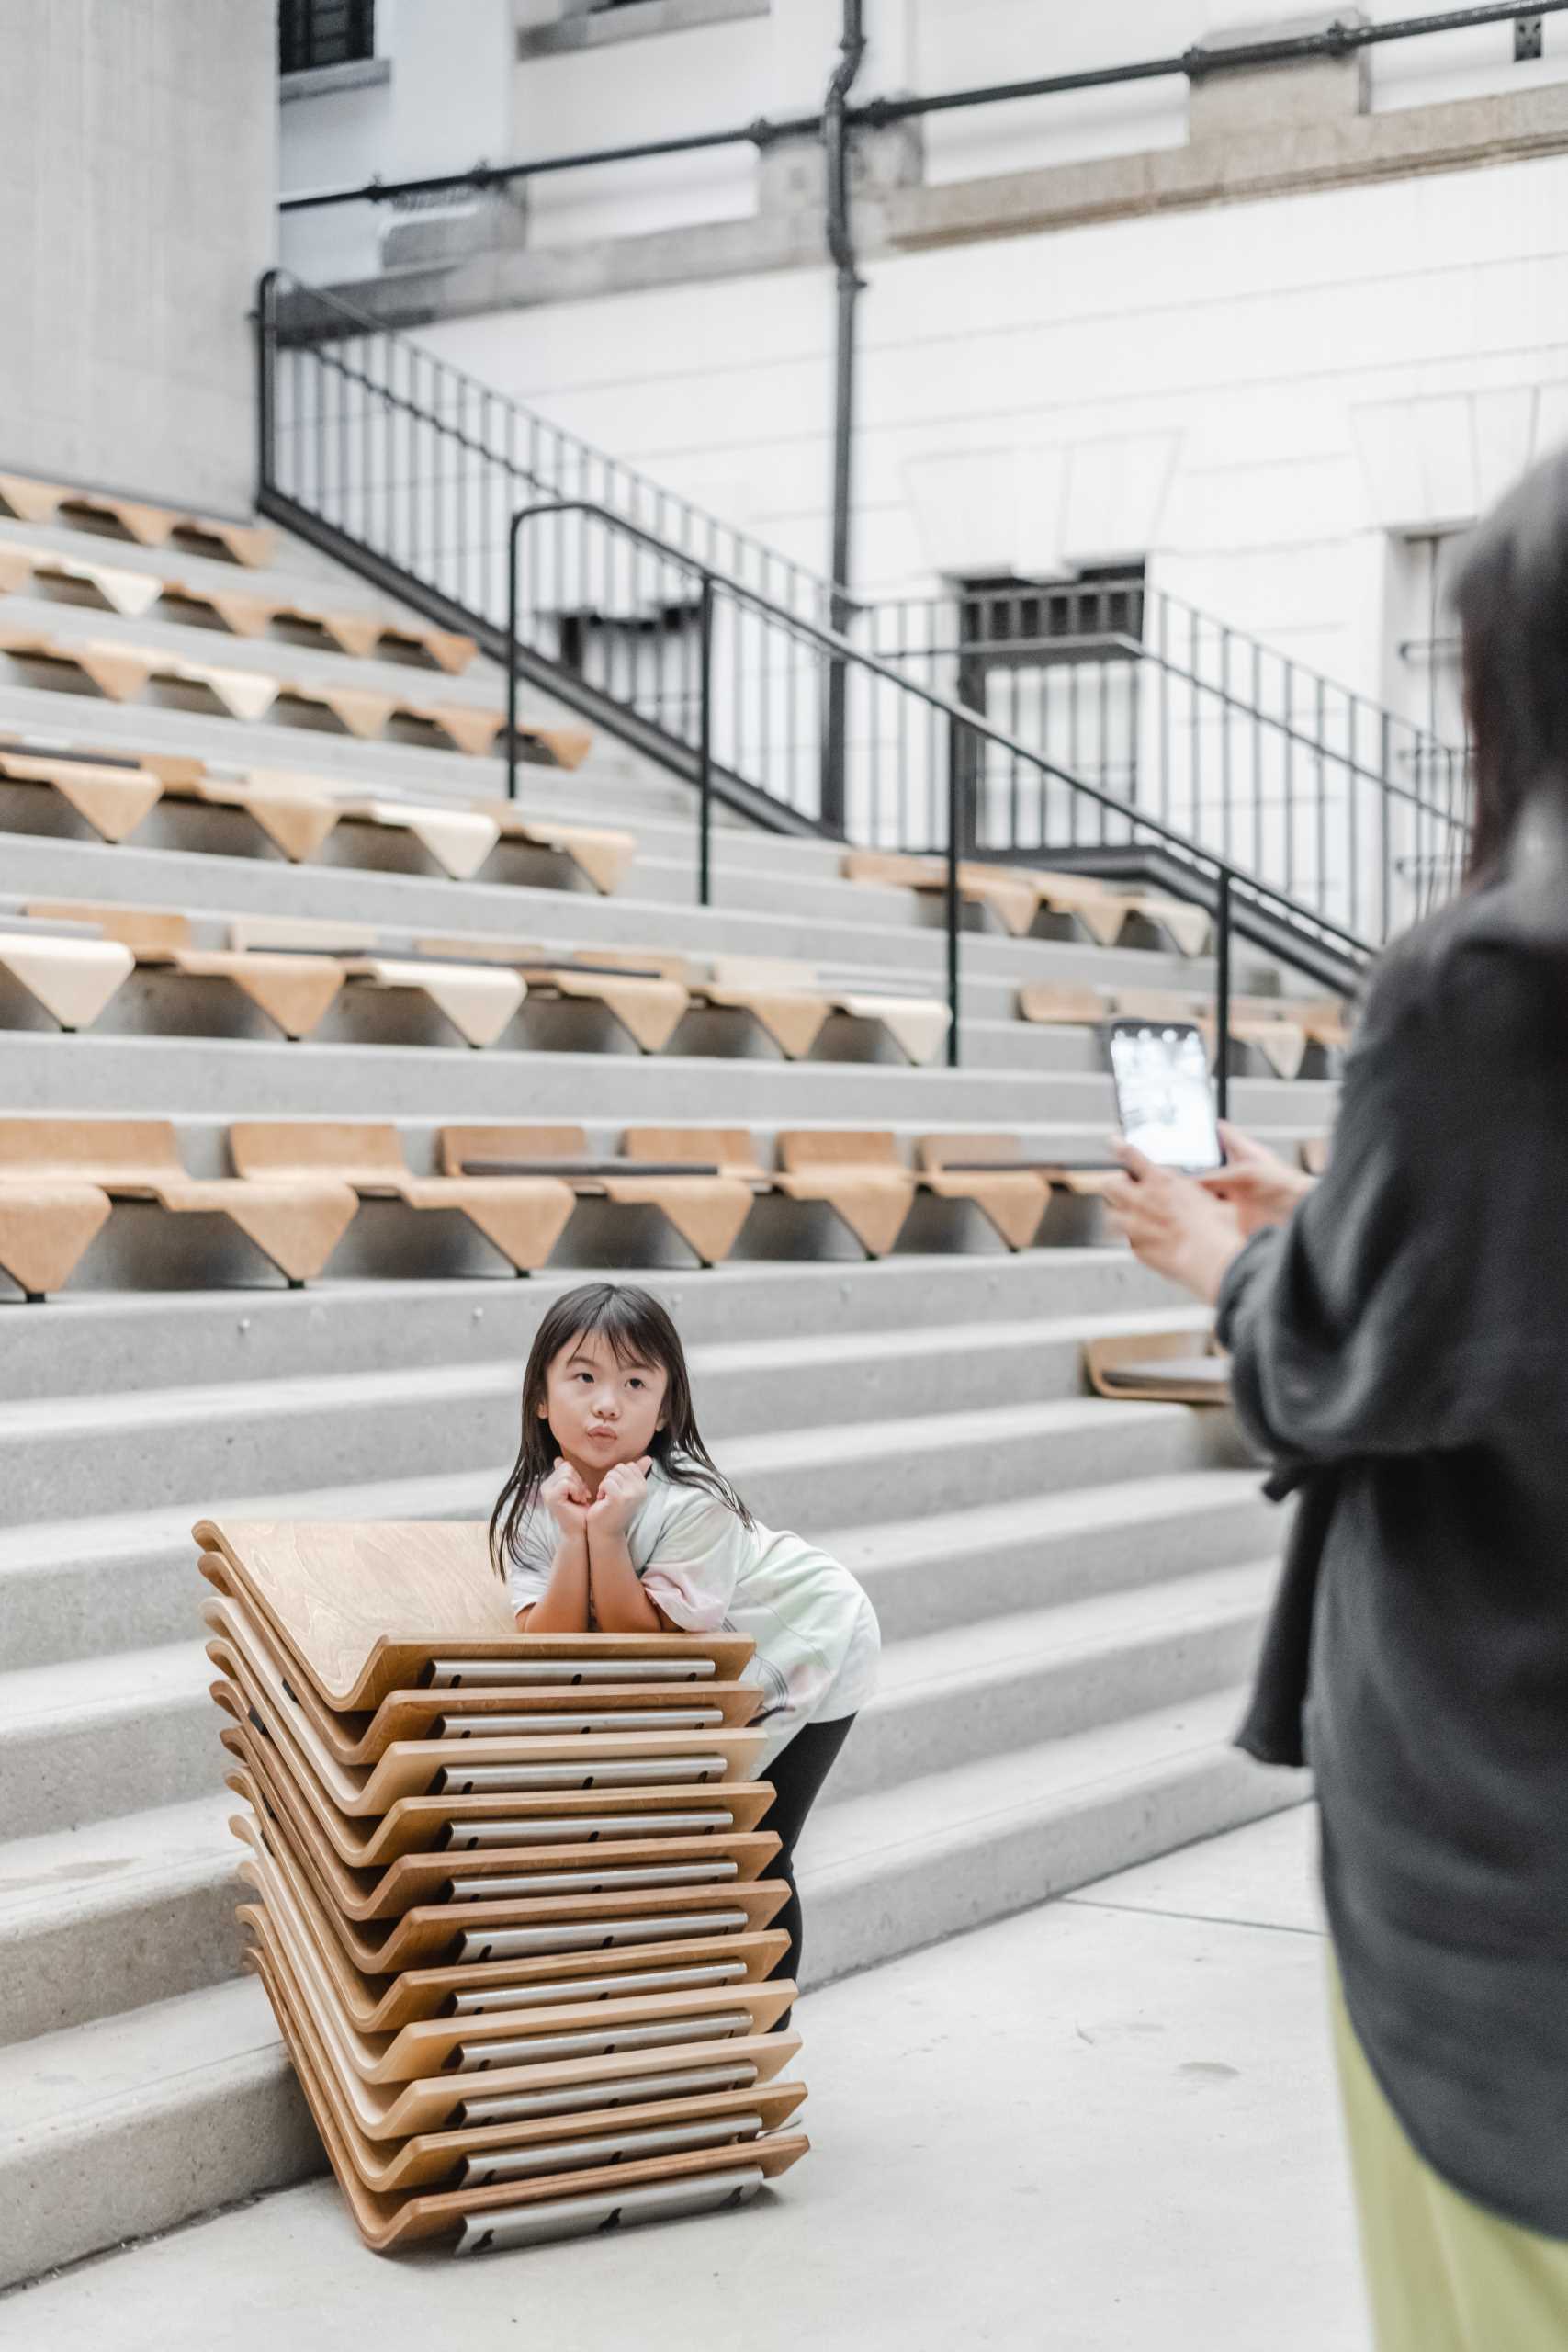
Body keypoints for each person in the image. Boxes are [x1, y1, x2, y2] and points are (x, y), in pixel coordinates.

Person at [1103, 443, 1568, 2351]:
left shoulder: (1494, 982)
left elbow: (1316, 1375)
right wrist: (1352, 1215)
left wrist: (1222, 1259)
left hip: (1503, 1840)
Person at [490, 1279, 880, 2015]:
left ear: (665, 1408)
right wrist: (579, 1533)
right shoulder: (534, 1507)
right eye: (583, 1377)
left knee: (755, 1848)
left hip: (813, 1640)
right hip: (721, 1665)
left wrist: (605, 1533)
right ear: (541, 1396)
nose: (607, 1402)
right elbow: (549, 1637)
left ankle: (760, 2047)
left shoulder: (691, 1501)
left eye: (635, 1382)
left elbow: (653, 1644)